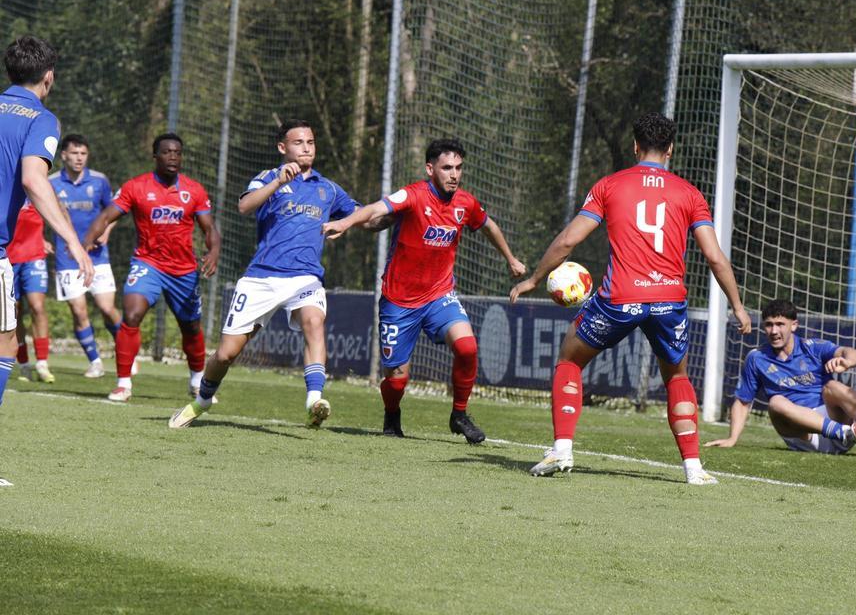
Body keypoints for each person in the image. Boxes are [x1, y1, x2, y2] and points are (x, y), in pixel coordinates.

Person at [510, 112, 752, 485]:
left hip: (620, 297)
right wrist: (736, 305)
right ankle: (694, 468)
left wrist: (534, 279)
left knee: (569, 360)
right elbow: (715, 257)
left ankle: (562, 448)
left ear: (635, 146)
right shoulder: (689, 193)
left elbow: (569, 240)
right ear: (671, 149)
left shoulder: (610, 186)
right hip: (669, 300)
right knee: (677, 376)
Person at [322, 138, 526, 443]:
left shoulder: (466, 203)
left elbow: (489, 226)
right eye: (447, 168)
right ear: (430, 169)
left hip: (439, 295)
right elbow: (376, 209)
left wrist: (510, 259)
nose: (454, 174)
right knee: (397, 379)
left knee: (467, 347)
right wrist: (346, 222)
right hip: (399, 300)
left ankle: (459, 415)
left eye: (458, 168)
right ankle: (392, 414)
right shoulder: (413, 195)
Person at [168, 120, 356, 429]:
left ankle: (314, 401)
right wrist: (278, 182)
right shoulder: (268, 177)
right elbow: (245, 206)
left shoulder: (328, 188)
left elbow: (359, 214)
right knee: (226, 355)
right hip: (262, 278)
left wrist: (356, 220)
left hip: (305, 277)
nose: (306, 147)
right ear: (283, 148)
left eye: (310, 142)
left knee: (314, 322)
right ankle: (202, 401)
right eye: (298, 142)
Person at [83, 133, 220, 402]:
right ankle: (123, 384)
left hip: (183, 270)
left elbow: (210, 228)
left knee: (191, 327)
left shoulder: (194, 190)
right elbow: (106, 216)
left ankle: (197, 382)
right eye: (167, 152)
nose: (173, 157)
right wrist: (86, 242)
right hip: (148, 264)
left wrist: (213, 251)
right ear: (155, 156)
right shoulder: (136, 187)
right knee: (132, 315)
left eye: (177, 152)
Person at [0, 35, 94, 426]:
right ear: (48, 77)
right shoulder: (41, 119)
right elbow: (34, 180)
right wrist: (72, 241)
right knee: (6, 342)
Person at [703, 299, 856, 455]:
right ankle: (850, 434)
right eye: (769, 325)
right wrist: (732, 438)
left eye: (780, 324)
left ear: (794, 325)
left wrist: (847, 362)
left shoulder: (811, 347)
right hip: (806, 436)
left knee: (832, 386)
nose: (774, 331)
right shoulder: (756, 358)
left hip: (838, 422)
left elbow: (852, 352)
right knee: (776, 402)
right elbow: (743, 402)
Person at [50, 134, 121, 377]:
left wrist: (107, 232)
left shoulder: (99, 180)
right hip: (67, 258)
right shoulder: (51, 182)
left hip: (97, 256)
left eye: (83, 154)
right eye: (74, 153)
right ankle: (95, 362)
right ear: (64, 155)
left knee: (107, 308)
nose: (79, 158)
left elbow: (115, 211)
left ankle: (126, 352)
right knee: (79, 310)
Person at [8, 202, 53, 382]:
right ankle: (24, 364)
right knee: (14, 312)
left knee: (38, 306)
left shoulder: (34, 187)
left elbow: (54, 209)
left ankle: (42, 364)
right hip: (8, 256)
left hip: (34, 254)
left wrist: (44, 238)